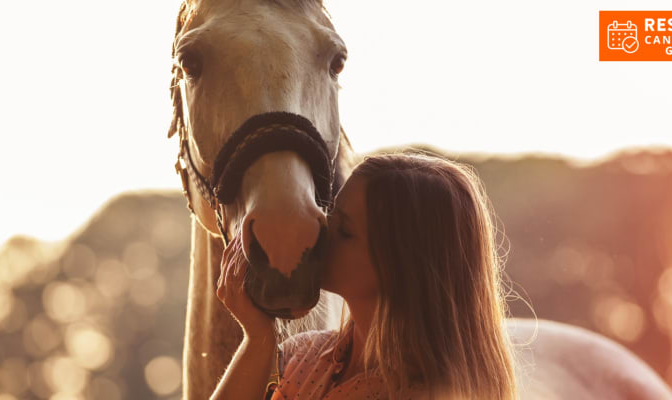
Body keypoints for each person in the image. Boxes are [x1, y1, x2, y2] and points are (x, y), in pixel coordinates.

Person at [211, 153, 518, 400]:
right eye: (329, 213)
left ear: (399, 267)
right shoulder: (301, 355)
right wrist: (257, 339)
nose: (318, 232)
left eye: (344, 231)